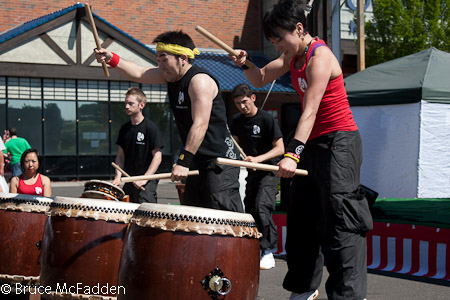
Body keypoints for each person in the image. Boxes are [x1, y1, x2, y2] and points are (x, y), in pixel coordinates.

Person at [230, 0, 373, 299]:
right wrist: (245, 63)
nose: (277, 46)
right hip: (310, 142)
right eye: (272, 42)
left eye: (279, 39)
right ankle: (304, 288)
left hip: (339, 143)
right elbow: (258, 78)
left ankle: (347, 296)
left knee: (340, 221)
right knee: (301, 217)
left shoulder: (318, 58)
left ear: (298, 28)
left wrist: (292, 153)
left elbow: (309, 111)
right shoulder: (290, 57)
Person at [95, 30, 242, 212]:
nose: (160, 65)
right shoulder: (170, 77)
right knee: (194, 217)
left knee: (225, 217)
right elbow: (139, 73)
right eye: (158, 60)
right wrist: (111, 58)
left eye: (164, 59)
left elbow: (200, 124)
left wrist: (183, 160)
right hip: (197, 160)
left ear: (183, 58)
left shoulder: (199, 81)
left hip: (220, 160)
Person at [230, 83, 284, 270]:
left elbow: (280, 148)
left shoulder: (267, 119)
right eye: (238, 103)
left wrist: (258, 159)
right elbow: (234, 144)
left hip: (269, 171)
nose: (242, 106)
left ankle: (268, 250)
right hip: (252, 172)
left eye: (244, 101)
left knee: (262, 206)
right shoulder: (236, 120)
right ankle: (255, 248)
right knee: (251, 210)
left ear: (253, 98)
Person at [112, 87, 164, 203]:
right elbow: (120, 156)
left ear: (141, 105)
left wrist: (145, 178)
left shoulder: (150, 128)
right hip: (130, 178)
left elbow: (157, 156)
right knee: (125, 210)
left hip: (147, 179)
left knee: (145, 209)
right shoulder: (124, 129)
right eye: (125, 103)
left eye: (131, 103)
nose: (126, 106)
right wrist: (118, 176)